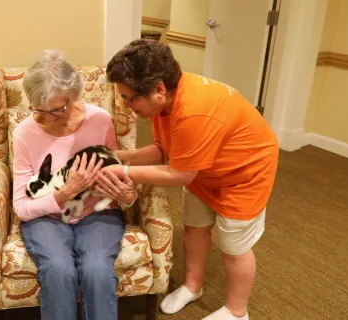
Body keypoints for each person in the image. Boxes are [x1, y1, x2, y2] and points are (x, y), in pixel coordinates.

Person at [96, 39, 279, 320]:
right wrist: (123, 156)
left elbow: (180, 173)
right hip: (200, 166)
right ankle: (193, 286)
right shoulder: (164, 103)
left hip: (244, 173)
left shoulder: (193, 110)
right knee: (195, 226)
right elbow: (165, 150)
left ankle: (237, 311)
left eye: (130, 98)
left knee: (234, 247)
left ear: (158, 89)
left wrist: (124, 171)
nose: (127, 105)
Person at [12, 49, 137, 320]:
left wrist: (126, 193)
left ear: (75, 95)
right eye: (39, 110)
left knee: (96, 269)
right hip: (46, 216)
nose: (47, 118)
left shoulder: (100, 120)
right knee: (58, 268)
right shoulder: (24, 134)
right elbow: (21, 207)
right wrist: (64, 194)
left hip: (97, 212)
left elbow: (115, 172)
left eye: (57, 110)